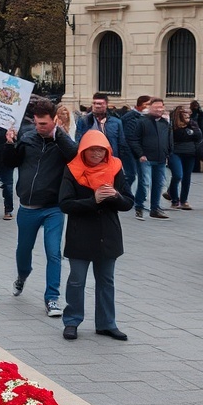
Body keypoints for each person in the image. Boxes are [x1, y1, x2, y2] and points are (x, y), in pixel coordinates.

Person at [3, 99, 78, 318]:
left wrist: (59, 135)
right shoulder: (28, 138)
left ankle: (52, 298)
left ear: (54, 120)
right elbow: (11, 162)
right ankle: (22, 275)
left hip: (53, 208)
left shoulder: (62, 141)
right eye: (36, 123)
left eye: (43, 124)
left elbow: (74, 155)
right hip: (28, 207)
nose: (39, 127)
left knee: (53, 252)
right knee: (23, 250)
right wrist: (9, 143)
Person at [59, 129, 133, 341]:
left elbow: (128, 202)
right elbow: (65, 204)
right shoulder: (72, 169)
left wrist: (116, 196)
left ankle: (107, 324)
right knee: (76, 280)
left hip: (107, 234)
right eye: (92, 149)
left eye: (101, 150)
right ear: (83, 150)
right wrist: (94, 201)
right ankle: (72, 321)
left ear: (107, 151)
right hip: (80, 234)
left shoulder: (115, 167)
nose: (96, 154)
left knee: (106, 281)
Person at [127, 97, 173, 220]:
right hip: (145, 158)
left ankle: (155, 209)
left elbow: (169, 139)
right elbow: (134, 139)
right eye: (156, 107)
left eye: (160, 107)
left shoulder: (165, 123)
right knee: (144, 183)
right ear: (150, 108)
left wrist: (168, 153)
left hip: (161, 158)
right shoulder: (142, 121)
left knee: (158, 184)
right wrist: (140, 154)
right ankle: (139, 206)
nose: (158, 109)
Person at [75, 93, 128, 175]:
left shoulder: (116, 122)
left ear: (106, 105)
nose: (97, 106)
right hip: (90, 162)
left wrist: (122, 164)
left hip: (110, 161)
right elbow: (78, 141)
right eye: (94, 103)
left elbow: (121, 144)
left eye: (100, 104)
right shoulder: (83, 121)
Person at [165, 105, 200, 210]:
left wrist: (192, 129)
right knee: (177, 175)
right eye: (186, 115)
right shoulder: (172, 125)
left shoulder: (192, 124)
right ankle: (174, 200)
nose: (188, 117)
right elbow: (174, 138)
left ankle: (184, 200)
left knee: (186, 177)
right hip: (175, 153)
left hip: (190, 153)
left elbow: (199, 136)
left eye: (189, 115)